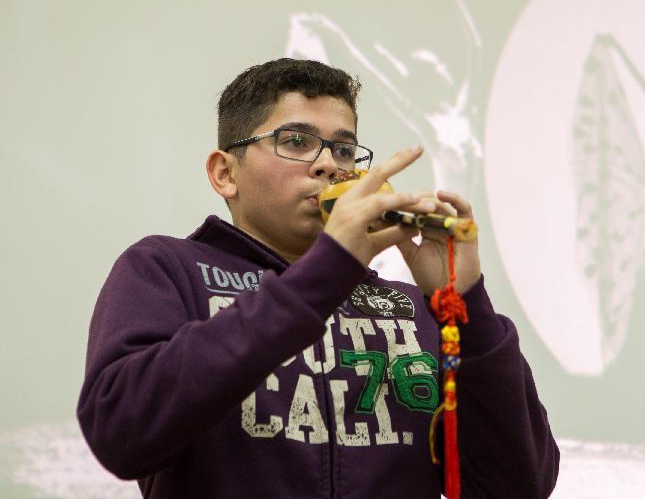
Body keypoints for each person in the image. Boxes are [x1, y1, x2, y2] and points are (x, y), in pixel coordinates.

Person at [77, 58, 559, 498]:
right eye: (296, 141)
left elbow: (519, 486)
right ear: (225, 173)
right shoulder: (166, 269)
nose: (329, 164)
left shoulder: (415, 310)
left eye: (345, 150)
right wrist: (324, 274)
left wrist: (465, 306)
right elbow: (120, 433)